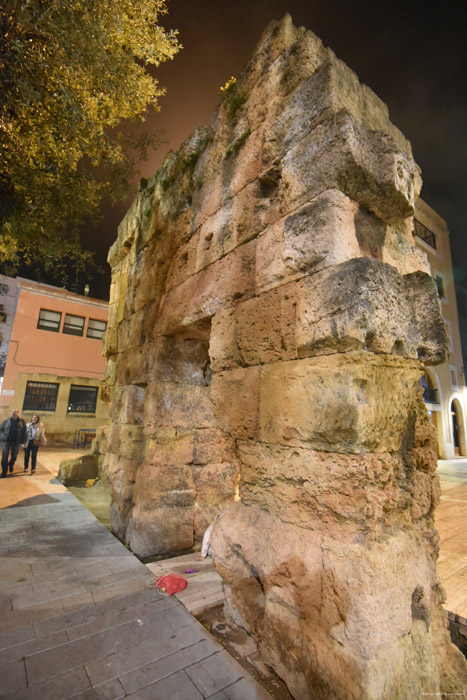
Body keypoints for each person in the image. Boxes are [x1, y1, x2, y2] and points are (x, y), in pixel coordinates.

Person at [0, 408, 27, 478]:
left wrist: (23, 442)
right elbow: (1, 430)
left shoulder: (22, 421)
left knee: (14, 456)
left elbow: (24, 432)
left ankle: (11, 464)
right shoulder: (6, 421)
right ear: (10, 413)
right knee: (4, 457)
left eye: (15, 412)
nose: (14, 413)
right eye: (13, 412)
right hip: (6, 441)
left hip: (16, 442)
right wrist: (2, 437)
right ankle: (4, 472)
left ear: (18, 413)